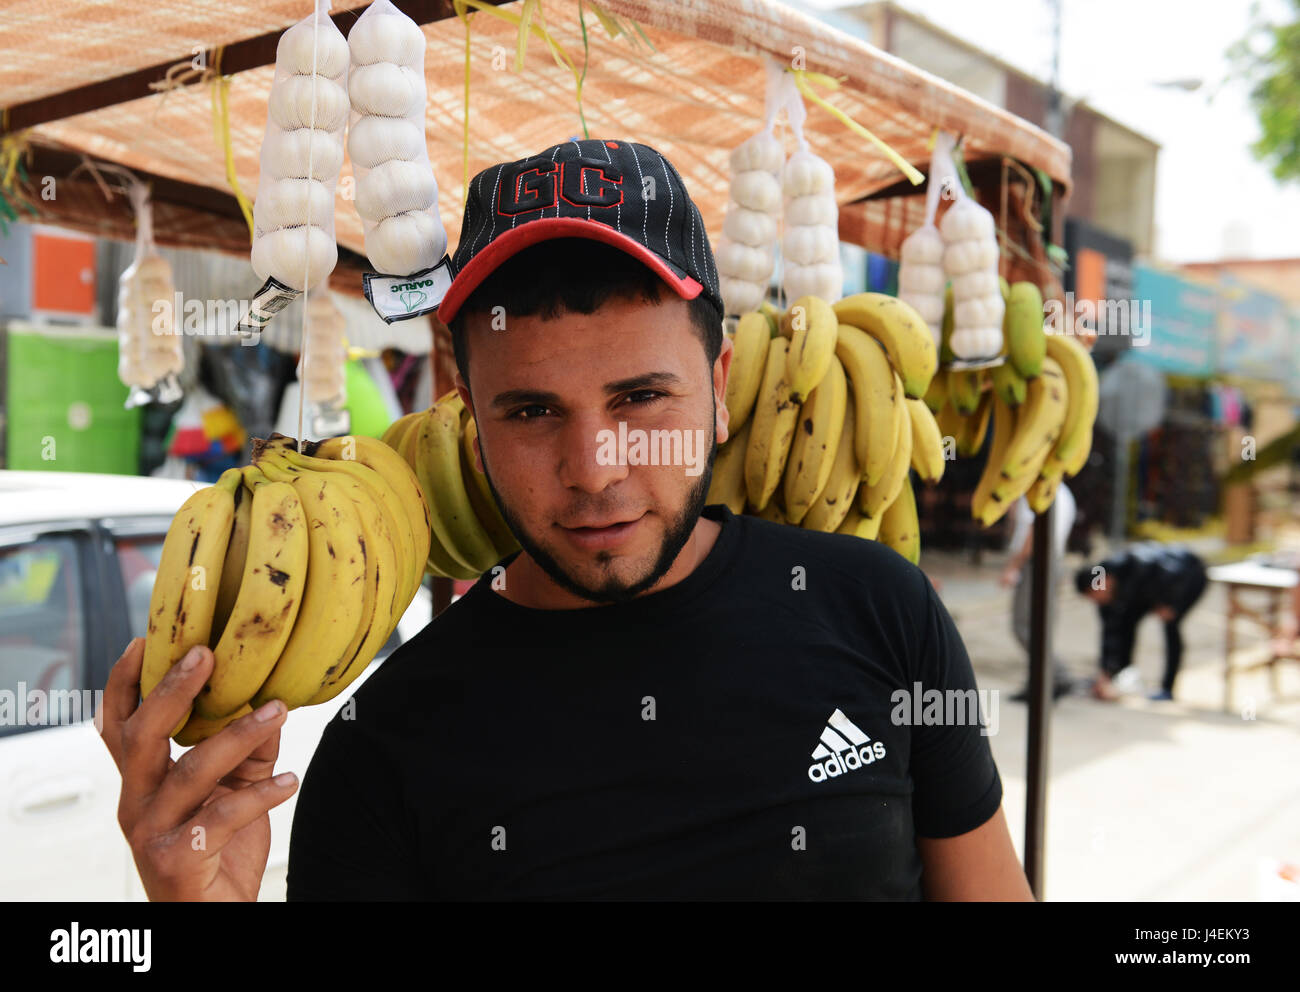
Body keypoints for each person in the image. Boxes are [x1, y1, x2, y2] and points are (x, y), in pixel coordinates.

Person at [99, 139, 1031, 901]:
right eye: (533, 411)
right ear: (470, 413)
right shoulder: (384, 748)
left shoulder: (880, 613)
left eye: (640, 398)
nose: (594, 471)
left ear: (720, 389)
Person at [1074, 543, 1208, 702]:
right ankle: (1119, 679)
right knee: (1125, 625)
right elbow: (1109, 631)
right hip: (1148, 592)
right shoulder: (1104, 595)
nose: (1096, 601)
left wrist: (1169, 602)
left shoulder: (1135, 565)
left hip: (1188, 575)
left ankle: (1167, 688)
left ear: (1105, 581)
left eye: (1094, 595)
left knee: (1170, 625)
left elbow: (1173, 571)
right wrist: (1105, 672)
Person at [1000, 484, 1076, 702]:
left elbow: (1031, 533)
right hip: (1053, 560)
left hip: (1037, 563)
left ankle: (1058, 674)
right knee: (1040, 625)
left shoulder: (1037, 490)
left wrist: (1013, 567)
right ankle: (1038, 683)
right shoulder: (1063, 492)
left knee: (1024, 626)